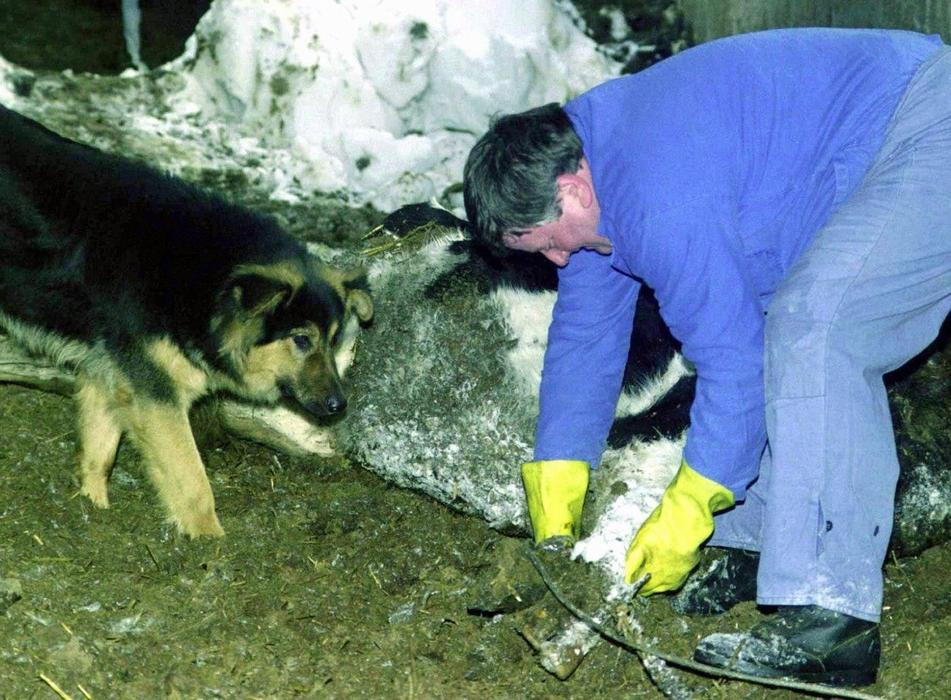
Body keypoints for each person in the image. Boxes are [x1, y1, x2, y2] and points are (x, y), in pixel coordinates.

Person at [462, 27, 951, 687]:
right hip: (859, 153)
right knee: (780, 322)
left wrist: (689, 503)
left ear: (572, 191)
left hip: (926, 121)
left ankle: (830, 617)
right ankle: (761, 543)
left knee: (814, 325)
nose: (555, 261)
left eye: (547, 243)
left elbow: (733, 364)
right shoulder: (592, 170)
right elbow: (584, 337)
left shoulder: (657, 192)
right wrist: (556, 477)